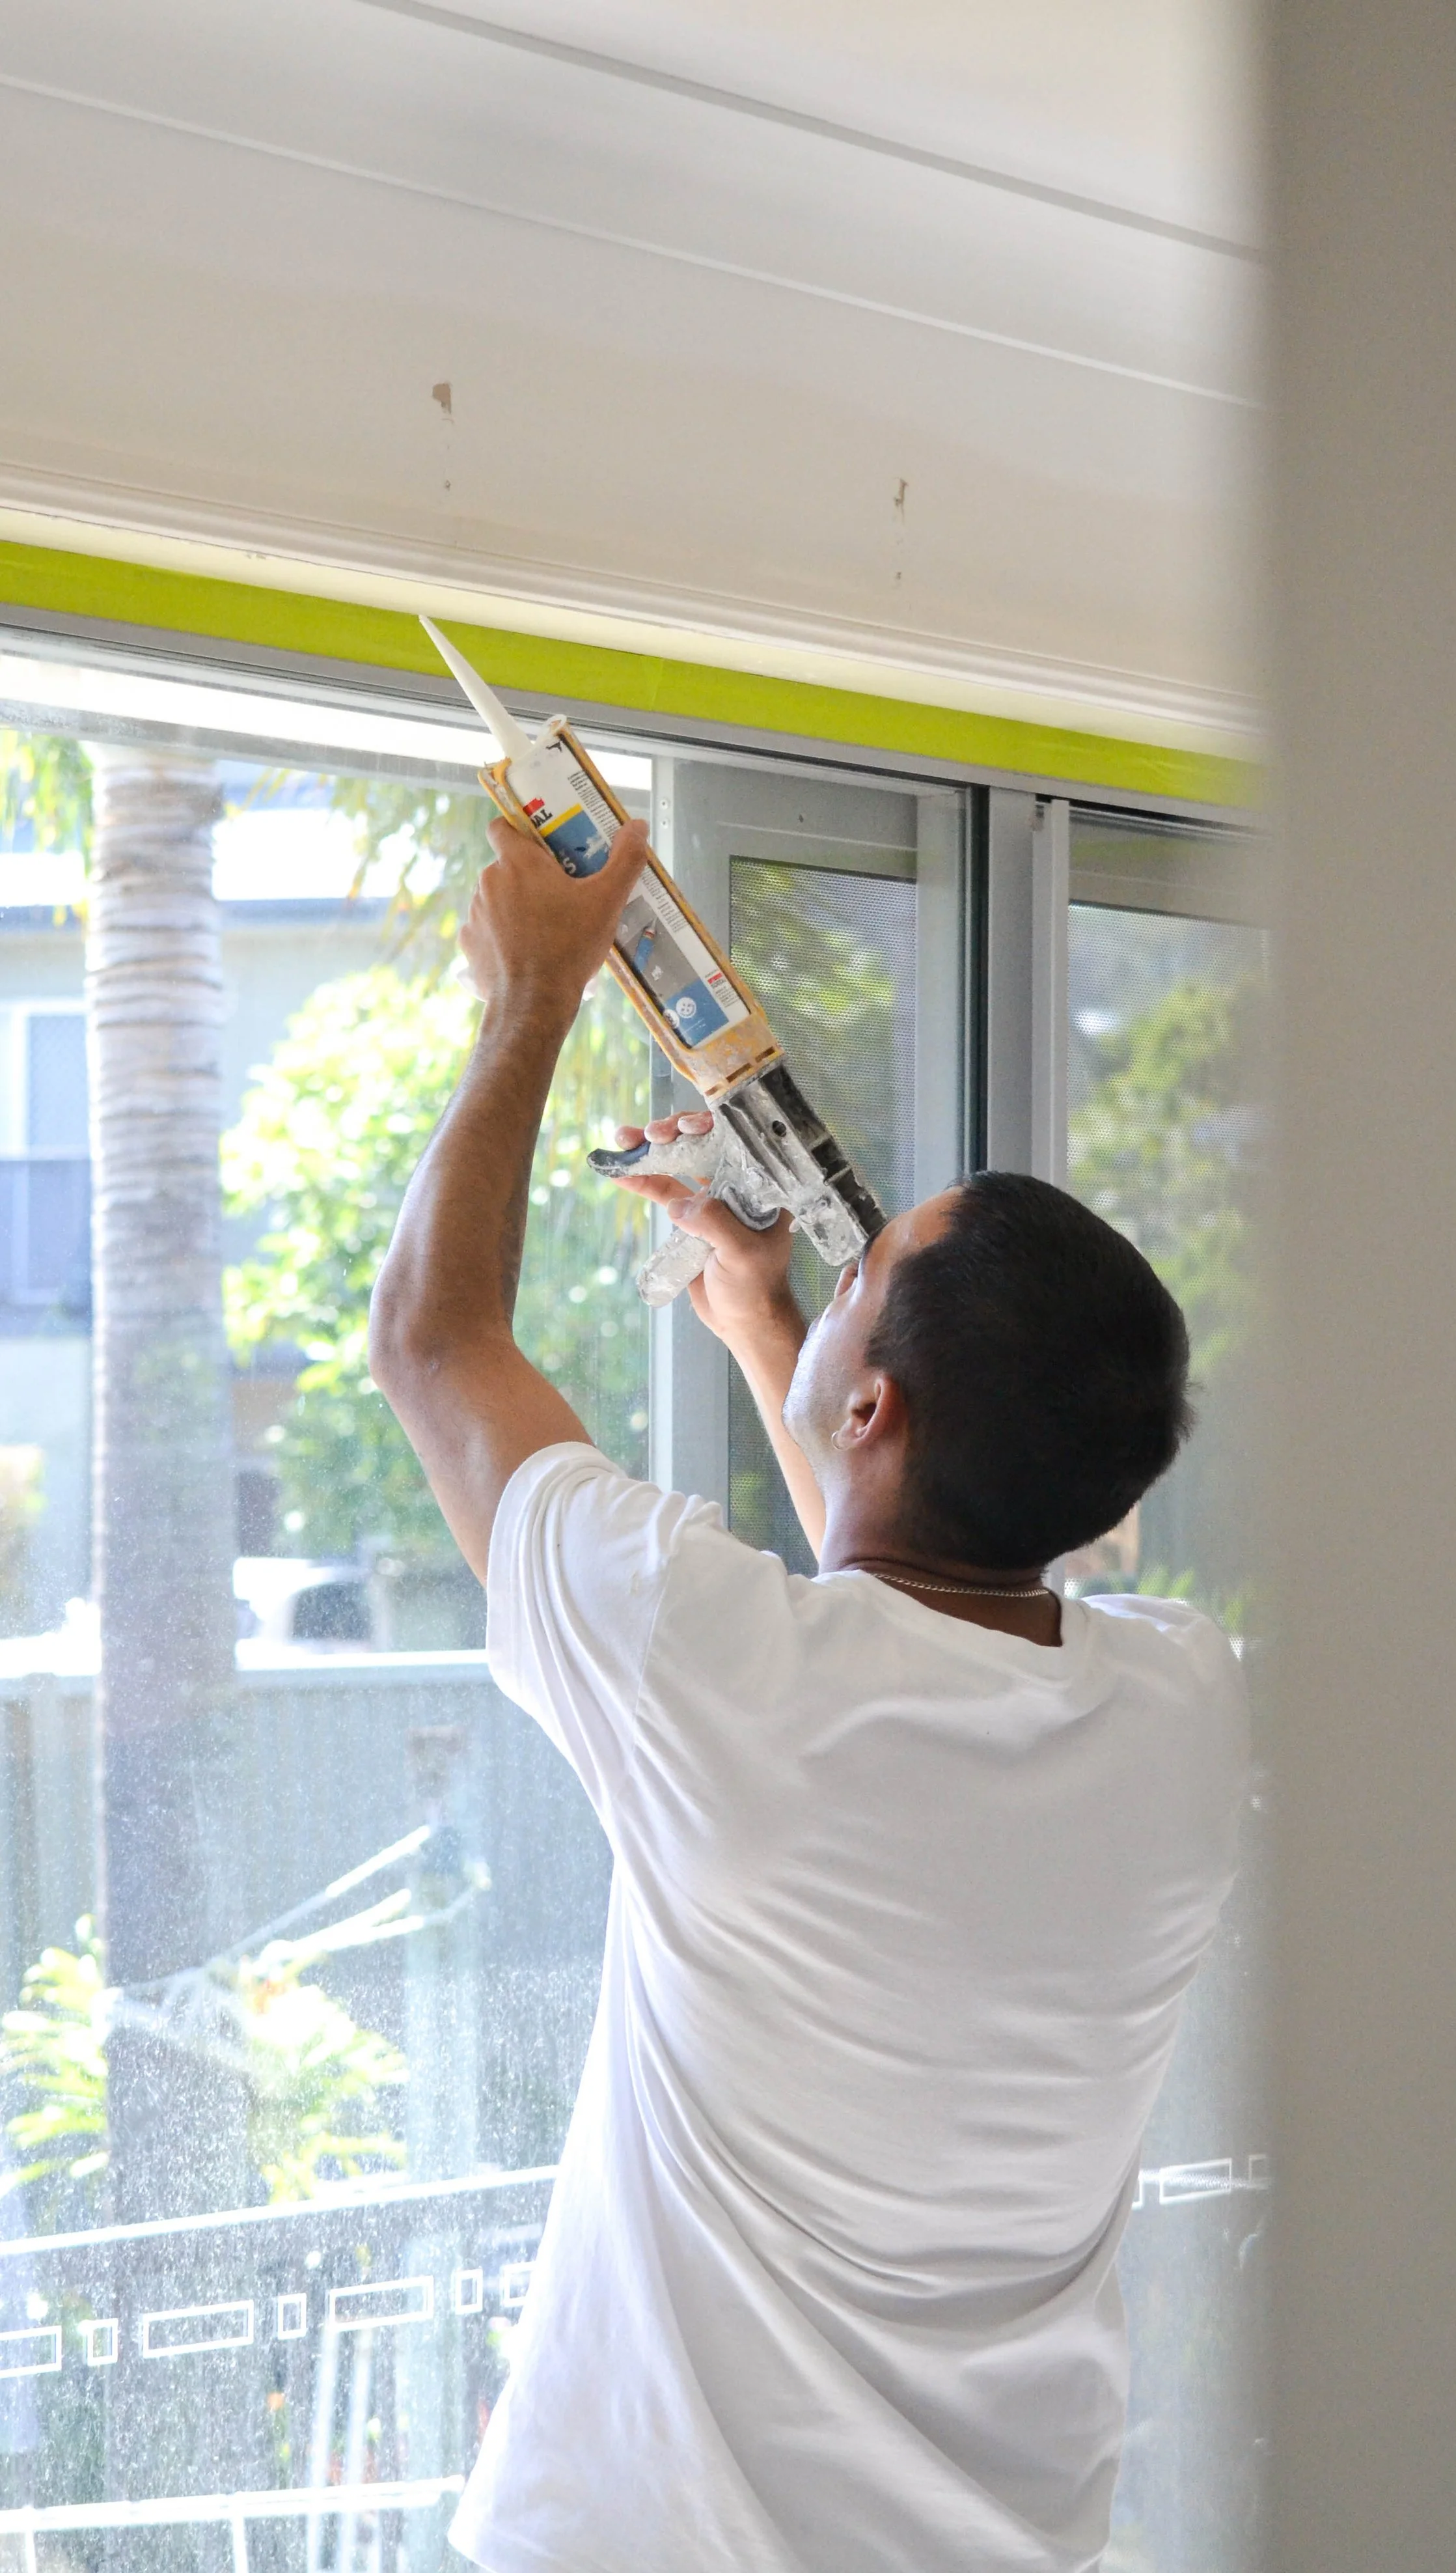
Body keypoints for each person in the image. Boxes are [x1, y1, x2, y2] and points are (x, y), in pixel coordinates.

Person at [369, 813, 1249, 2573]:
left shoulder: (719, 1674)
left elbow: (434, 1343)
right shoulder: (1181, 1717)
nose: (836, 1279)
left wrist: (530, 994)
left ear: (874, 1416)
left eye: (862, 1274)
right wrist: (783, 1330)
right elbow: (915, 1598)